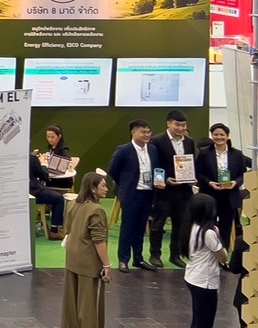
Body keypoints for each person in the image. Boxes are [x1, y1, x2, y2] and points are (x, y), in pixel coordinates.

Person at [62, 170, 113, 328]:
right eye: (103, 186)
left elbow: (68, 230)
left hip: (72, 259)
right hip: (88, 263)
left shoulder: (72, 204)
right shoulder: (96, 210)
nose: (106, 189)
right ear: (93, 188)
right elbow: (99, 240)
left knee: (71, 303)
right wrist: (107, 265)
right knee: (88, 305)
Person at [108, 119, 159, 271]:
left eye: (148, 132)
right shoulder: (124, 150)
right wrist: (125, 183)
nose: (147, 135)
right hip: (131, 194)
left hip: (147, 193)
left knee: (141, 228)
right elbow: (113, 170)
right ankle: (123, 260)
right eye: (143, 132)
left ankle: (138, 259)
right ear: (133, 132)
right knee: (127, 228)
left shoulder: (152, 149)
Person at [150, 109, 198, 268]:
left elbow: (191, 163)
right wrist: (165, 179)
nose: (181, 128)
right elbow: (153, 165)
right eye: (177, 125)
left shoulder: (189, 142)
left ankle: (175, 255)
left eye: (184, 125)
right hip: (164, 191)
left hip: (184, 191)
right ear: (168, 123)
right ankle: (155, 255)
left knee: (181, 224)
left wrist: (192, 178)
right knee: (158, 224)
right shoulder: (156, 141)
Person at [196, 122, 250, 244]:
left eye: (222, 134)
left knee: (226, 227)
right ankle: (209, 250)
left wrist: (235, 182)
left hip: (229, 196)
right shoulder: (204, 153)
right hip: (210, 194)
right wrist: (209, 182)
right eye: (215, 134)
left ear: (227, 136)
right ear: (211, 136)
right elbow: (198, 173)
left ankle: (223, 252)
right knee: (208, 226)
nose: (218, 137)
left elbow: (243, 174)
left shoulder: (237, 154)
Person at [184, 193, 229, 328]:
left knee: (197, 319)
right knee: (204, 322)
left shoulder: (190, 226)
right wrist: (217, 235)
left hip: (192, 276)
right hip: (205, 281)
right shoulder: (208, 233)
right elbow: (223, 257)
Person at [31, 152, 67, 238]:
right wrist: (43, 163)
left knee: (49, 193)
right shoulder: (32, 159)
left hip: (19, 193)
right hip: (34, 192)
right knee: (59, 198)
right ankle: (54, 231)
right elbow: (44, 176)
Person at [41, 125, 75, 189]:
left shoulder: (64, 149)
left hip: (62, 180)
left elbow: (68, 162)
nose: (50, 139)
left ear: (59, 136)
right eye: (48, 137)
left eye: (52, 137)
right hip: (53, 176)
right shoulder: (51, 147)